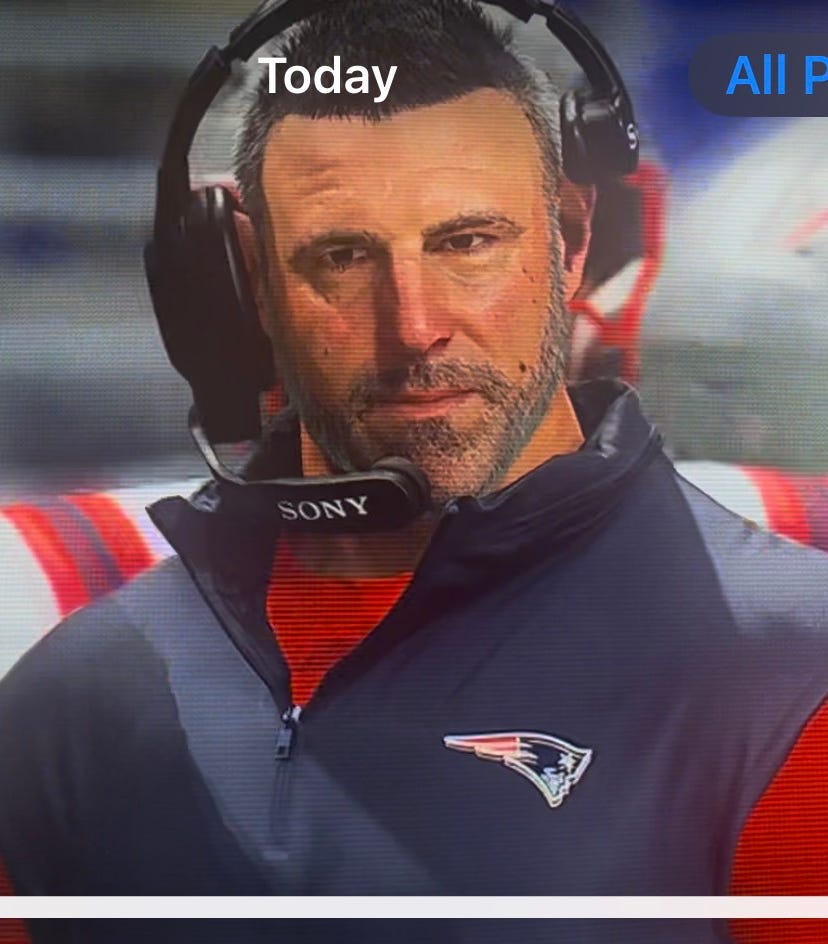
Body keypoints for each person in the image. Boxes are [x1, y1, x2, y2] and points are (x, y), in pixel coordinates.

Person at [1, 1, 828, 941]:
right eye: (343, 256)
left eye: (467, 242)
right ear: (243, 281)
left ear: (572, 239)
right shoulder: (73, 703)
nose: (414, 326)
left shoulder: (791, 682)